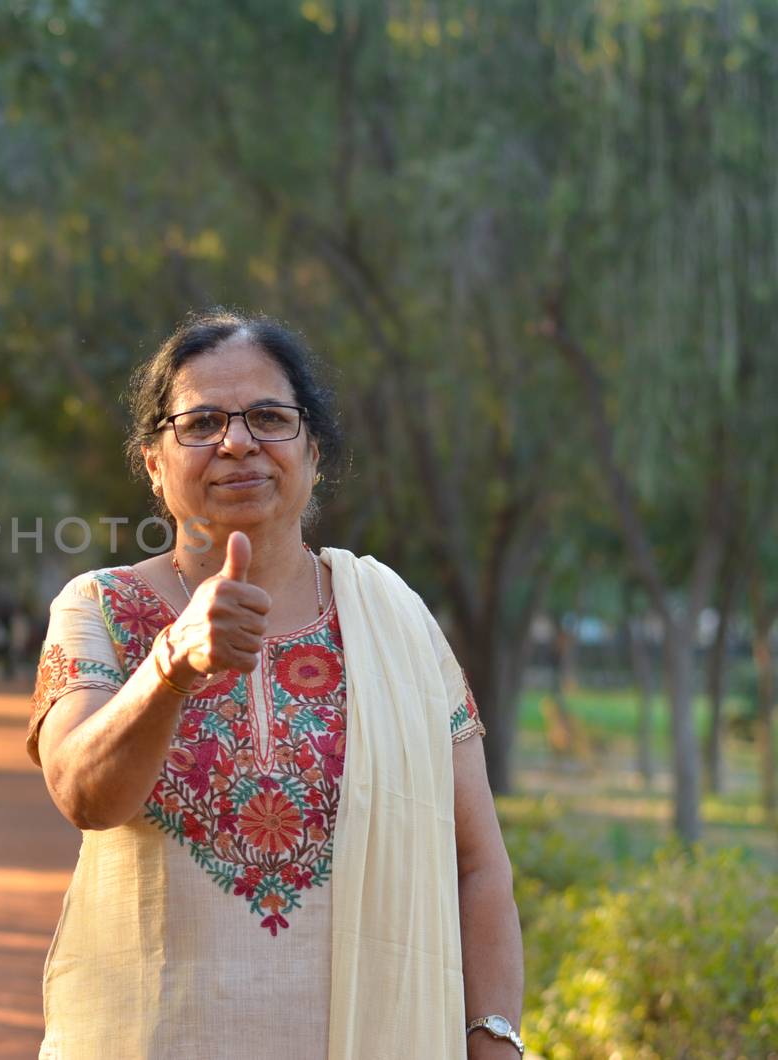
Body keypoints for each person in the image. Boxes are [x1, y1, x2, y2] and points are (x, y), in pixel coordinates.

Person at [27, 311, 524, 1059]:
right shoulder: (101, 608)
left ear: (313, 451)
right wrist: (170, 667)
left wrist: (494, 1040)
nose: (236, 442)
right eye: (201, 423)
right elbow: (82, 794)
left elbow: (477, 862)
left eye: (268, 417)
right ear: (155, 463)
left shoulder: (396, 624)